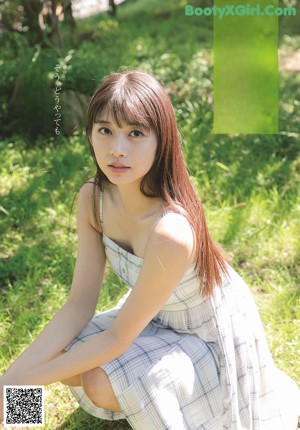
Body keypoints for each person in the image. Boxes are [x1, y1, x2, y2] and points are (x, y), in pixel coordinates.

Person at [0, 70, 299, 429]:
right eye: (105, 130)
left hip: (206, 334)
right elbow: (78, 304)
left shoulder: (171, 231)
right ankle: (16, 423)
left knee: (96, 378)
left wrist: (25, 381)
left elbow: (117, 338)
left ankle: (196, 398)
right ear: (90, 134)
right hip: (152, 316)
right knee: (62, 356)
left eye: (136, 133)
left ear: (162, 141)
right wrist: (11, 389)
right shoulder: (92, 199)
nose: (117, 149)